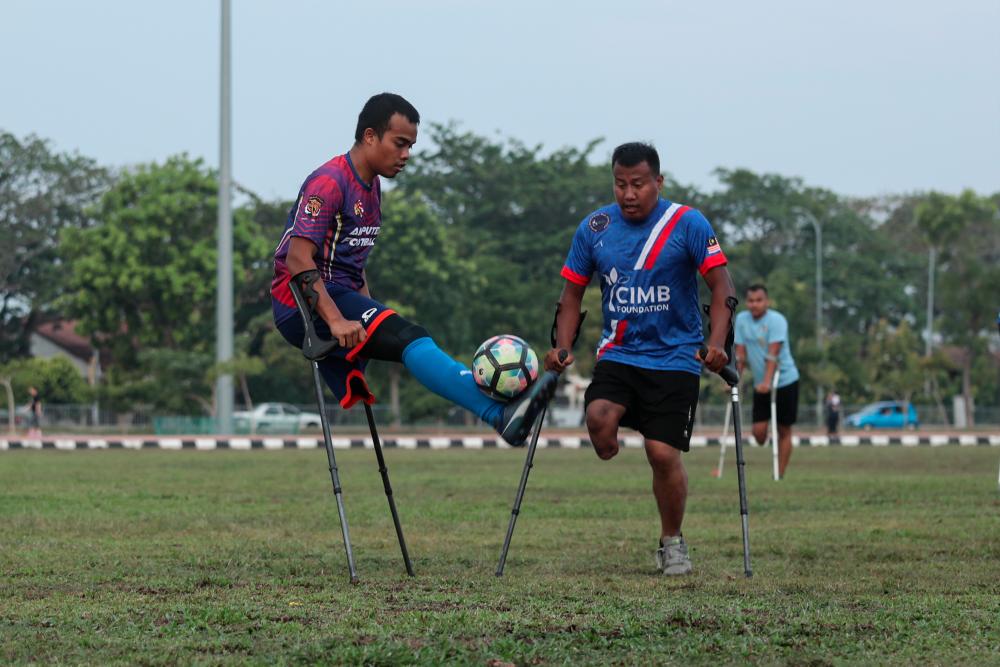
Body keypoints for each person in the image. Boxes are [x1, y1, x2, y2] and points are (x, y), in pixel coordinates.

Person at [270, 93, 556, 446]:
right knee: (411, 336)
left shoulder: (372, 188)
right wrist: (337, 321)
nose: (406, 155)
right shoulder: (329, 182)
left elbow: (353, 267)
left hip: (338, 295)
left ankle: (503, 412)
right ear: (371, 136)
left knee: (405, 336)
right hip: (298, 304)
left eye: (411, 146)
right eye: (400, 143)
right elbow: (297, 259)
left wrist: (372, 318)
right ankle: (498, 414)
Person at [543, 142, 735, 576]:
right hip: (621, 353)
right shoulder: (594, 227)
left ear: (658, 182)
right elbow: (571, 295)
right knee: (598, 419)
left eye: (638, 184)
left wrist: (719, 342)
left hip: (676, 356)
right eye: (620, 184)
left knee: (661, 452)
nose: (628, 194)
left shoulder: (687, 223)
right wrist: (562, 345)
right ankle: (614, 439)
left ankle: (672, 543)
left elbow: (722, 288)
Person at [733, 285, 800, 477]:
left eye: (759, 300)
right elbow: (740, 355)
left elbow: (773, 355)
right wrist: (734, 381)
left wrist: (767, 383)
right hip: (760, 384)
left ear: (767, 302)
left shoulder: (777, 320)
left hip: (785, 380)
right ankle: (769, 442)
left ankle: (779, 473)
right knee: (759, 433)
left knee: (784, 428)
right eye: (751, 300)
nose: (754, 304)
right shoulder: (742, 320)